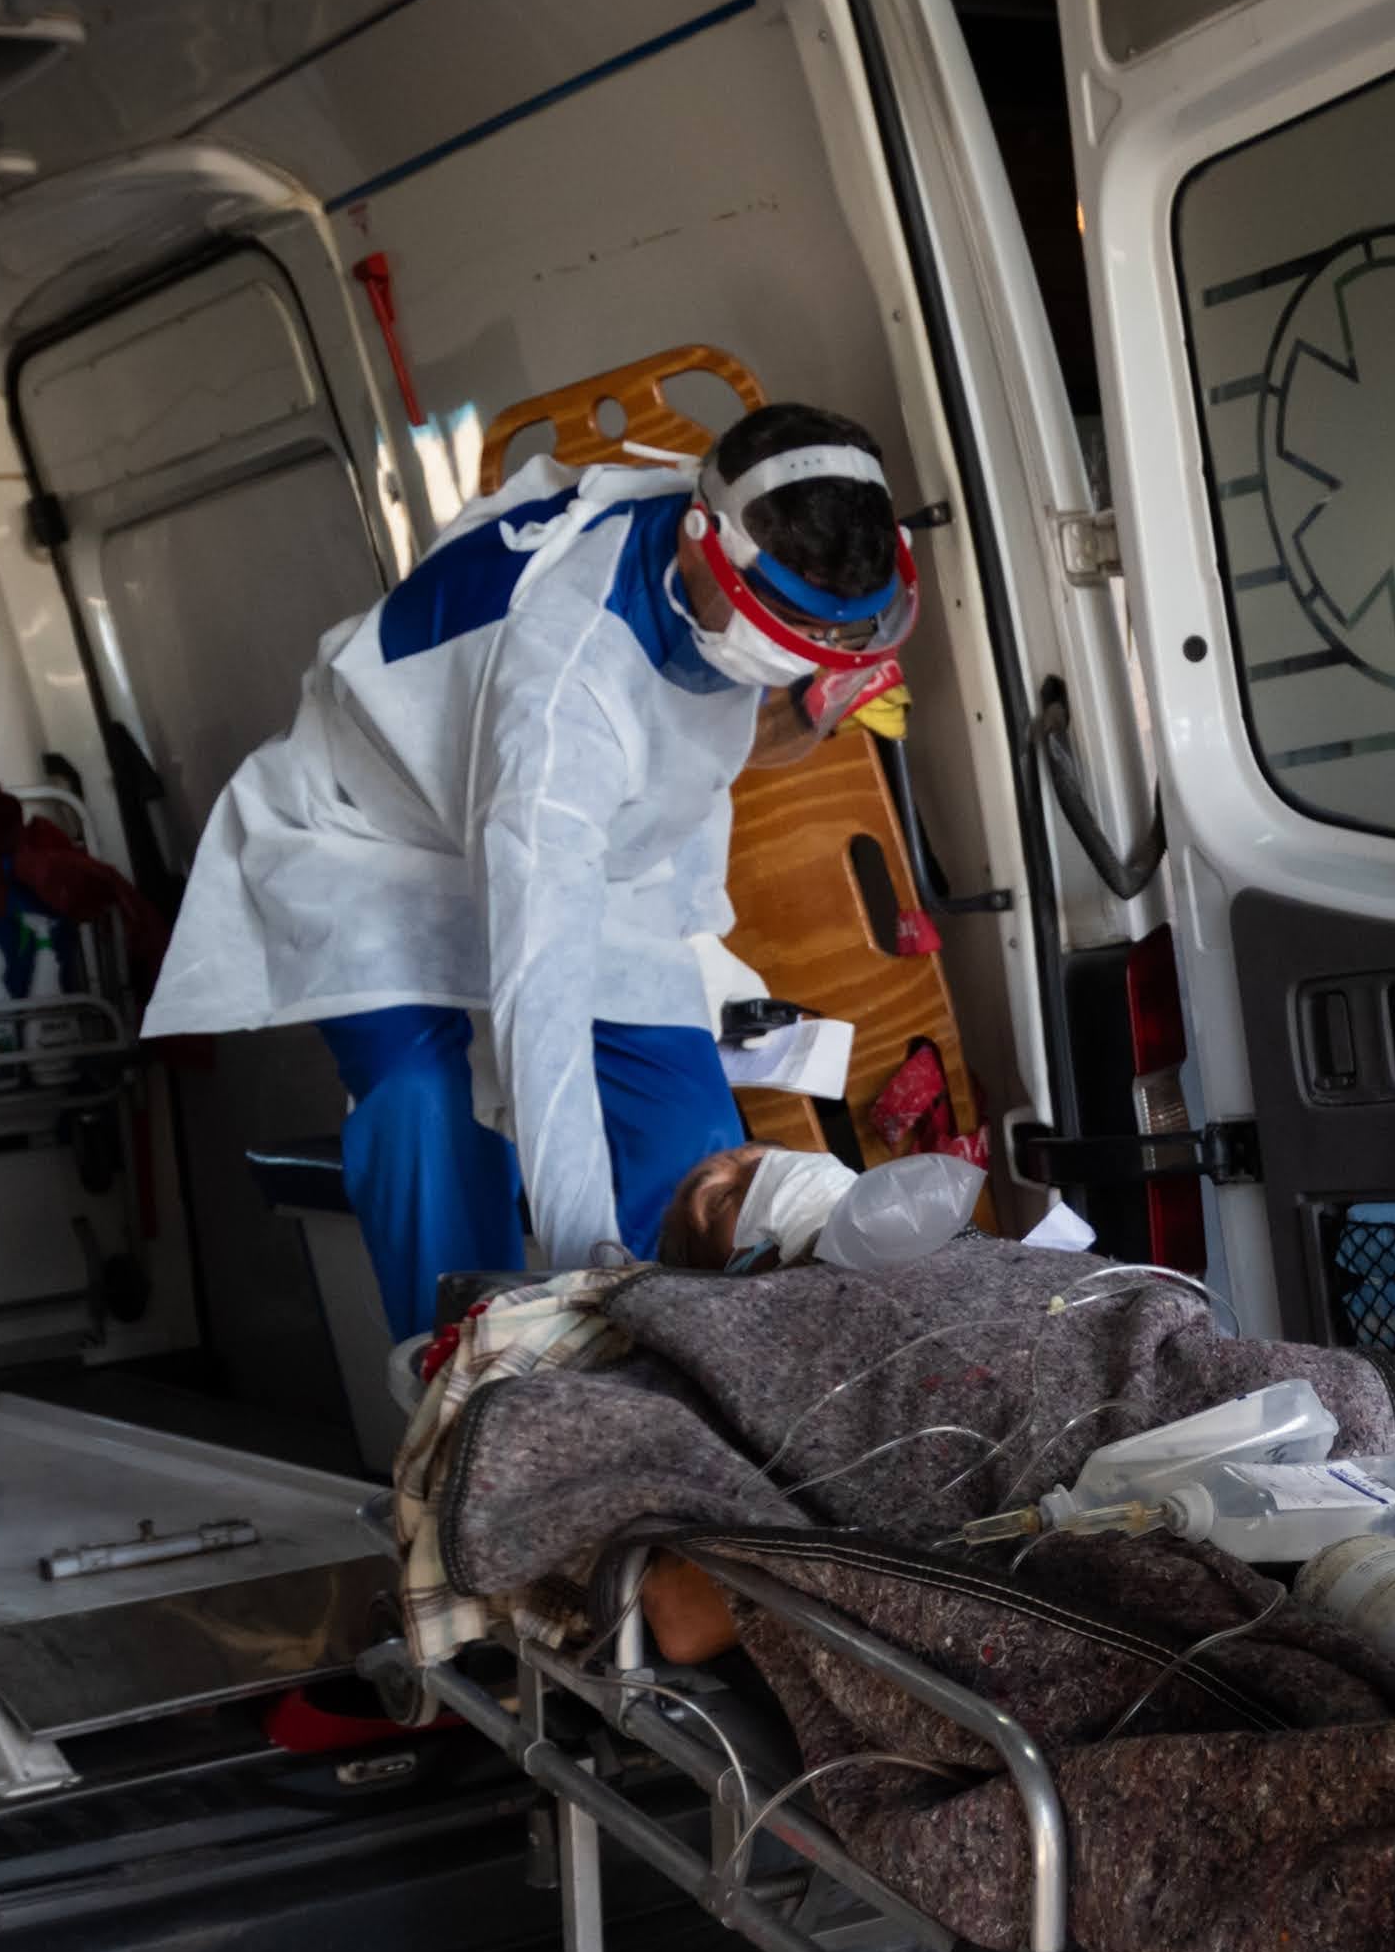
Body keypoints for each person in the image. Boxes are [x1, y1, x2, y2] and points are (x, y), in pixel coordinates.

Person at [139, 401, 922, 1336]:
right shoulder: (562, 689)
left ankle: (710, 1401)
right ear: (702, 541)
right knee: (428, 1114)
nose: (788, 661)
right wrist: (589, 1283)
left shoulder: (752, 513)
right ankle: (464, 1393)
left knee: (688, 1144)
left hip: (587, 849)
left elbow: (707, 719)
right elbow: (536, 998)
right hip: (376, 850)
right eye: (779, 632)